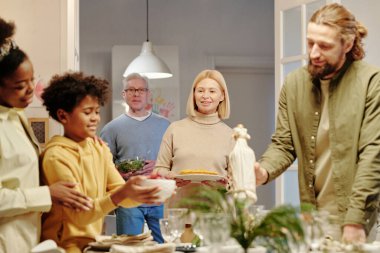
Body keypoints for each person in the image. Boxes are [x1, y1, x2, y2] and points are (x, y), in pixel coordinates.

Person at [254, 3, 380, 244]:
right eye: (310, 42)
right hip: (311, 219)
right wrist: (263, 170)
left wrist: (355, 221)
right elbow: (284, 143)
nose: (313, 53)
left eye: (324, 46)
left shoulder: (372, 83)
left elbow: (373, 155)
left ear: (348, 43)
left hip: (356, 219)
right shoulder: (293, 84)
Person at [40, 72, 161, 253]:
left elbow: (121, 193)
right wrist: (120, 195)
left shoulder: (99, 148)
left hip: (90, 245)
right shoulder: (56, 156)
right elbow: (79, 217)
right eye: (87, 112)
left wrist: (143, 191)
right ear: (63, 116)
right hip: (61, 248)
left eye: (97, 111)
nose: (95, 118)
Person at [0, 18, 92, 253]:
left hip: (29, 237)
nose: (31, 89)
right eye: (20, 85)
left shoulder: (16, 116)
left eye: (32, 79)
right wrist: (47, 194)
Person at [100, 73, 170, 243]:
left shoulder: (166, 126)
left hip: (158, 196)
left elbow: (175, 160)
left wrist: (158, 165)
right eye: (131, 90)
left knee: (164, 247)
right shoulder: (111, 128)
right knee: (129, 246)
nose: (136, 94)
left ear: (149, 94)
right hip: (128, 198)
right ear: (124, 95)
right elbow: (102, 164)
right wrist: (120, 172)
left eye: (141, 90)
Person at [154, 69, 235, 207]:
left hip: (216, 212)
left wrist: (226, 185)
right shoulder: (175, 129)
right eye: (200, 90)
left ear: (222, 96)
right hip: (178, 209)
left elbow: (237, 182)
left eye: (212, 91)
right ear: (194, 95)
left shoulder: (231, 135)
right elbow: (158, 170)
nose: (205, 96)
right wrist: (168, 177)